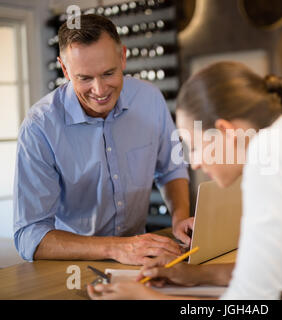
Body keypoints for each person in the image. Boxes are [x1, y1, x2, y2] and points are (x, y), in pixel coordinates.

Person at [88, 61, 282, 299]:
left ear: (225, 131)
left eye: (193, 145)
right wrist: (195, 276)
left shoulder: (268, 165)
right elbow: (264, 271)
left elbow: (249, 304)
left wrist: (144, 298)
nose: (194, 161)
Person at [13, 14, 193, 265]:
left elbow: (171, 169)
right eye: (84, 78)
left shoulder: (150, 99)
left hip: (138, 260)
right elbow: (29, 235)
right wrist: (115, 248)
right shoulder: (39, 126)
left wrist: (180, 219)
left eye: (108, 73)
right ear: (64, 69)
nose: (99, 90)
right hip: (70, 266)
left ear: (123, 57)